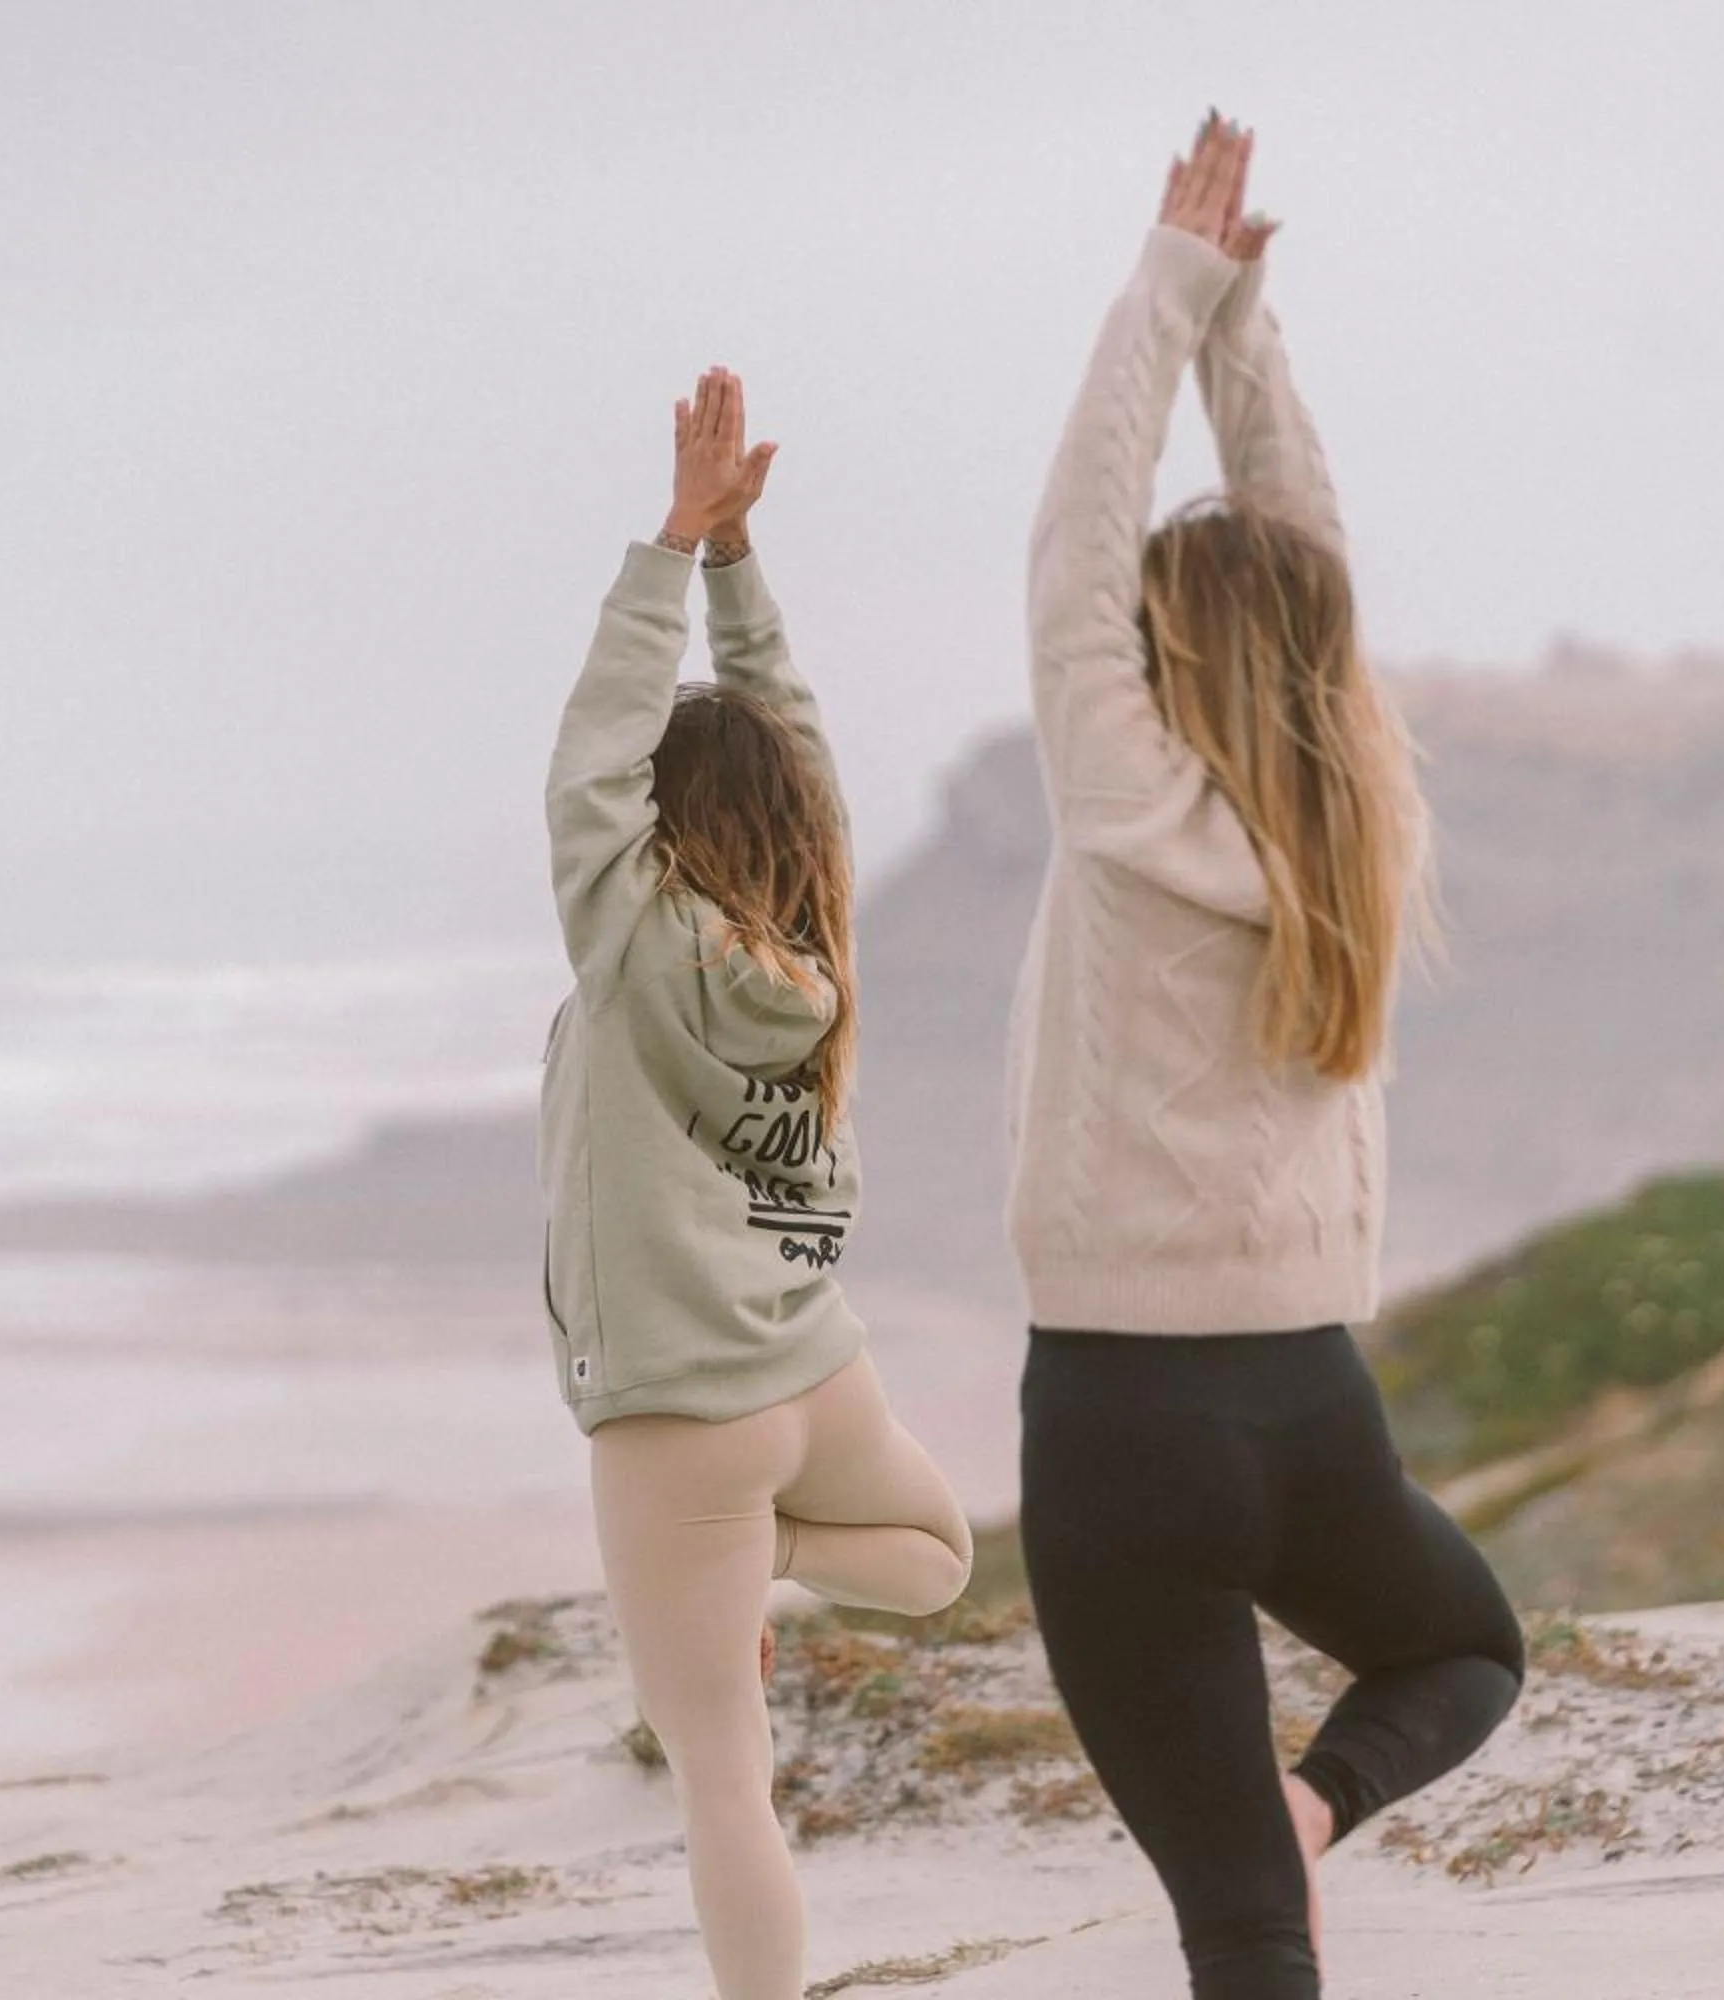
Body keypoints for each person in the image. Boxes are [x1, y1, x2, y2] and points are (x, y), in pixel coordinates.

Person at [1008, 113, 1528, 2000]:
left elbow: (1077, 550)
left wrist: (1176, 294)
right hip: (1314, 1409)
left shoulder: (1134, 819)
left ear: (1159, 669)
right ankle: (1306, 1816)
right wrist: (1239, 327)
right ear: (1320, 670)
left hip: (1125, 1427)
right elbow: (1302, 563)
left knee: (1239, 1938)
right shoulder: (1351, 833)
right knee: (1461, 1652)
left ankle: (1274, 1847)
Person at [539, 366, 975, 2000]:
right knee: (934, 1556)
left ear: (655, 827)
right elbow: (794, 748)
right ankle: (775, 1554)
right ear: (796, 823)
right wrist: (738, 576)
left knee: (726, 1777)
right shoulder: (819, 945)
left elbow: (587, 770)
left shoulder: (640, 948)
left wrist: (673, 547)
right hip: (814, 1370)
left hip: (678, 1415)